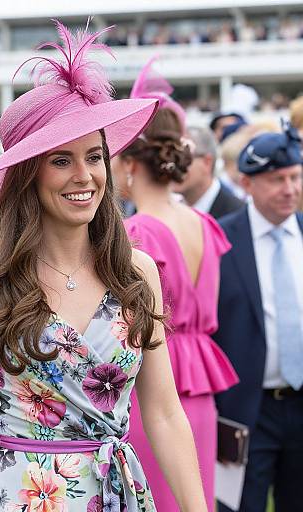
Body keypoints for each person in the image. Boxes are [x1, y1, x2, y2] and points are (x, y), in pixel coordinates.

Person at [0, 21, 208, 512]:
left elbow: (163, 413)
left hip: (120, 496)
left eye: (94, 157)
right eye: (61, 160)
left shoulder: (135, 272)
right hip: (23, 498)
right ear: (26, 175)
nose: (85, 177)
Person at [117, 60, 239, 511]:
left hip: (153, 386)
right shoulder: (203, 223)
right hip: (200, 396)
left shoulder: (137, 235)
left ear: (130, 164)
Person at [213, 122, 303, 512]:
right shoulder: (221, 239)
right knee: (243, 505)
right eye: (276, 179)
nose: (290, 189)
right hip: (247, 409)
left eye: (296, 177)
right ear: (247, 185)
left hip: (301, 402)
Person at [173, 126, 244, 219]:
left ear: (207, 162)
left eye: (181, 158)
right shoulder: (167, 210)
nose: (173, 166)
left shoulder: (237, 214)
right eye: (169, 157)